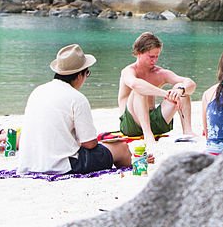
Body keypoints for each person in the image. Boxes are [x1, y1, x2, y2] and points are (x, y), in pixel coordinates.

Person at [18, 44, 139, 175]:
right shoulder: (77, 98)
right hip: (63, 165)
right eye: (87, 73)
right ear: (80, 75)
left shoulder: (38, 91)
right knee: (121, 147)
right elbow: (89, 144)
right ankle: (131, 168)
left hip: (30, 162)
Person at [118, 32, 197, 151]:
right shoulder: (128, 71)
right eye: (151, 56)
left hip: (155, 121)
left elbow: (191, 83)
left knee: (181, 87)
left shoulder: (159, 72)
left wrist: (180, 91)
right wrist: (165, 94)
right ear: (139, 53)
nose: (154, 60)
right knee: (139, 89)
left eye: (157, 56)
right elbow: (135, 84)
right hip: (131, 123)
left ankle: (187, 131)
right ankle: (147, 135)